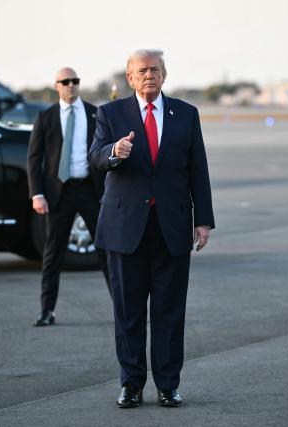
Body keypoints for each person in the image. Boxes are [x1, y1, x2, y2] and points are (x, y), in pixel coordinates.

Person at [88, 49, 214, 408]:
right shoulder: (110, 113)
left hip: (171, 227)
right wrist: (116, 150)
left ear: (164, 74)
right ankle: (131, 384)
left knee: (169, 312)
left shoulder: (185, 114)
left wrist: (202, 220)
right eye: (141, 71)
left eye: (154, 70)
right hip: (125, 228)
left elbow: (198, 169)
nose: (149, 76)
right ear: (130, 77)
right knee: (128, 313)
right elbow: (95, 158)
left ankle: (168, 385)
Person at [27, 67, 110, 327]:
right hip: (58, 193)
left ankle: (123, 307)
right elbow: (34, 159)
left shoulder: (96, 113)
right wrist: (37, 193)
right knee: (53, 254)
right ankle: (46, 310)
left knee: (107, 250)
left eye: (75, 81)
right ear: (57, 86)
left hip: (90, 190)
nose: (71, 85)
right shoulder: (46, 117)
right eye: (66, 81)